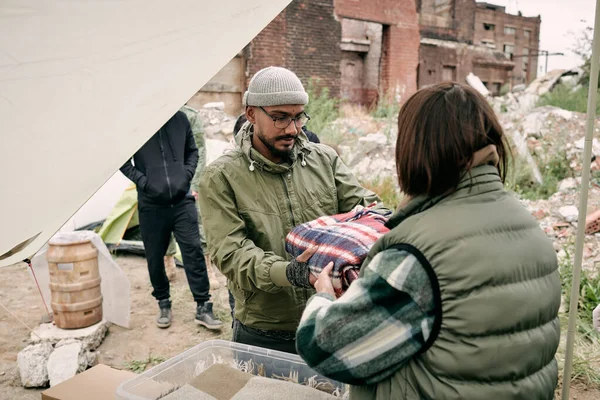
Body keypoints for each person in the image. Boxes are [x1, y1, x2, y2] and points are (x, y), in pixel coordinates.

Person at [295, 82, 561, 399]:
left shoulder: (417, 255)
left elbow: (325, 347)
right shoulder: (527, 223)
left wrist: (323, 297)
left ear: (416, 150)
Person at [199, 66, 384, 353]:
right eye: (280, 117)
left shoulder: (325, 160)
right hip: (265, 329)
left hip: (329, 318)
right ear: (251, 114)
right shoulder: (221, 176)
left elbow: (365, 210)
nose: (293, 129)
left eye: (298, 116)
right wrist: (290, 273)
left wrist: (388, 219)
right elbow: (231, 253)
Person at [120, 111, 223, 331]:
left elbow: (192, 152)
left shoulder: (180, 119)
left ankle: (203, 305)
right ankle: (163, 302)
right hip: (151, 205)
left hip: (182, 201)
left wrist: (185, 176)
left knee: (193, 251)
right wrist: (145, 183)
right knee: (155, 257)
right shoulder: (136, 124)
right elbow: (122, 161)